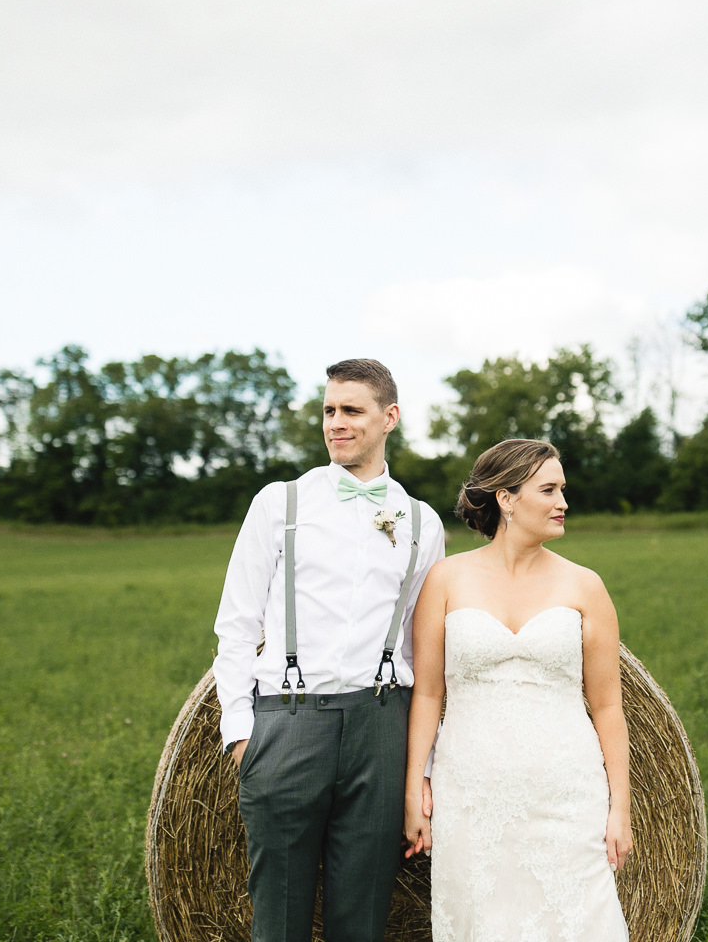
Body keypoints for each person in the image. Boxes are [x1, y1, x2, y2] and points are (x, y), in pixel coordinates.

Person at [213, 358, 446, 942]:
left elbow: (425, 652)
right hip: (288, 723)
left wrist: (423, 768)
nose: (335, 423)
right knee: (280, 920)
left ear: (389, 417)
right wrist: (242, 734)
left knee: (362, 920)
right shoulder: (279, 504)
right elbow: (236, 626)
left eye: (351, 410)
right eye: (328, 410)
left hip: (380, 726)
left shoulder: (422, 522)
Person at [403, 438, 632, 942]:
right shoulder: (445, 579)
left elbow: (609, 706)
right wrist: (414, 786)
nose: (563, 502)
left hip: (567, 793)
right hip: (471, 793)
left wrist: (621, 807)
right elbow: (427, 695)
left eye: (563, 490)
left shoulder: (585, 585)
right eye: (548, 490)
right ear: (507, 499)